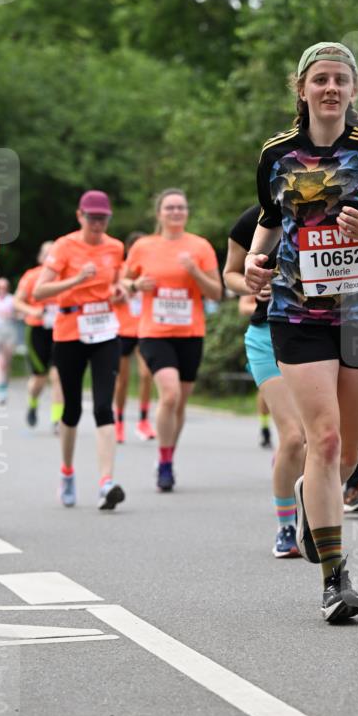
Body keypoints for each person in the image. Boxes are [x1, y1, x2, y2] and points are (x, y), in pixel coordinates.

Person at [245, 41, 358, 622]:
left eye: (340, 80)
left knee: (346, 453)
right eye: (319, 79)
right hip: (298, 312)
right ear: (302, 89)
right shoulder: (276, 154)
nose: (330, 89)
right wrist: (252, 263)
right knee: (320, 441)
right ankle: (334, 580)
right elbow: (269, 223)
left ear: (354, 88)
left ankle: (307, 496)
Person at [33, 190, 126, 510]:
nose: (98, 223)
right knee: (71, 410)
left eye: (103, 218)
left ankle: (106, 483)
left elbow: (116, 283)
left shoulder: (115, 247)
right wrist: (74, 279)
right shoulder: (64, 246)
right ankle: (68, 472)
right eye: (92, 217)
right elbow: (39, 290)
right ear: (80, 216)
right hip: (69, 331)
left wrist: (119, 290)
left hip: (104, 331)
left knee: (103, 406)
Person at [125, 188, 222, 491]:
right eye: (170, 208)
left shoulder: (199, 247)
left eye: (181, 207)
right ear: (159, 214)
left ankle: (168, 455)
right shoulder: (143, 246)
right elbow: (122, 283)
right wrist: (135, 283)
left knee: (180, 403)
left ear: (186, 213)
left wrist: (194, 271)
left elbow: (216, 292)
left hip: (190, 333)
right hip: (154, 332)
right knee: (169, 395)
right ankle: (164, 464)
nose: (176, 212)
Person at [225, 203, 306, 558]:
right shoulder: (251, 220)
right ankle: (286, 526)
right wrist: (251, 286)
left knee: (318, 440)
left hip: (315, 336)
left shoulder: (326, 210)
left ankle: (315, 516)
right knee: (293, 436)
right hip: (266, 336)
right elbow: (229, 274)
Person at [14, 242, 64, 432]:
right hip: (37, 331)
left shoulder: (63, 277)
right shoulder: (32, 276)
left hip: (59, 331)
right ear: (40, 258)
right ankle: (33, 402)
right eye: (47, 254)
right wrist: (33, 311)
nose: (51, 257)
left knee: (58, 376)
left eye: (54, 254)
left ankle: (57, 419)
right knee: (39, 377)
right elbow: (17, 302)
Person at [112, 231, 156, 443]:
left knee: (147, 375)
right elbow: (110, 294)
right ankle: (119, 422)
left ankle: (143, 421)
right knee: (122, 380)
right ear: (130, 249)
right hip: (122, 330)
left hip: (145, 329)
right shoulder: (120, 270)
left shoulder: (151, 269)